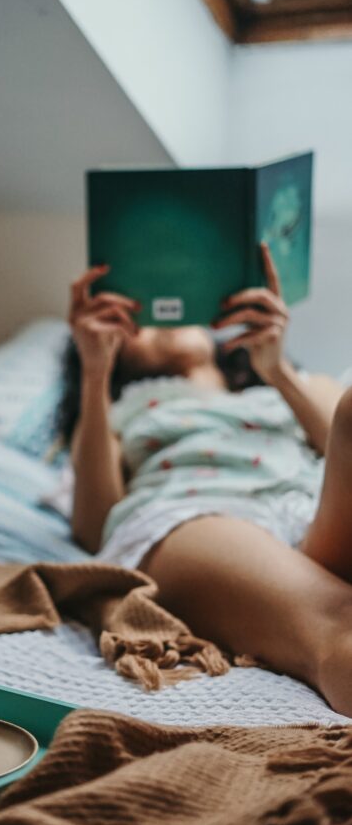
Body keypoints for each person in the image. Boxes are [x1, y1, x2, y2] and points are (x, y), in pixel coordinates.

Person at [61, 242, 352, 716]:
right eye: (146, 315)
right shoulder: (117, 412)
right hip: (203, 517)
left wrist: (277, 370)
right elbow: (94, 525)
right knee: (340, 619)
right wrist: (96, 373)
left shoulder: (288, 386)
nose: (168, 319)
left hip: (314, 508)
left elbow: (336, 445)